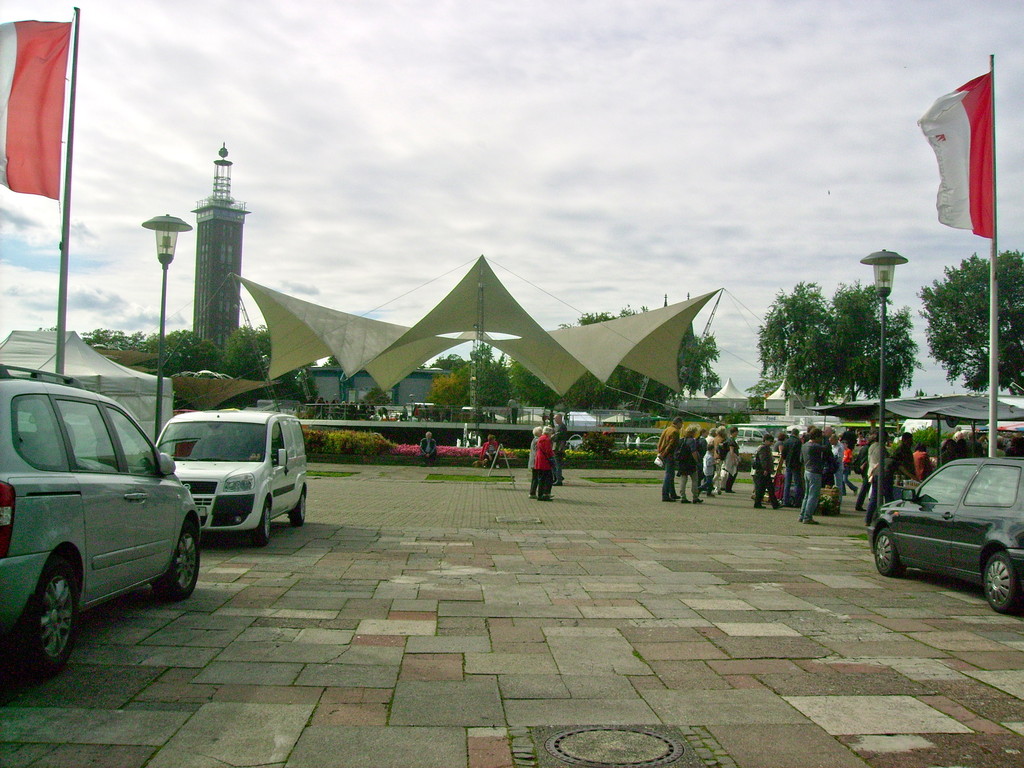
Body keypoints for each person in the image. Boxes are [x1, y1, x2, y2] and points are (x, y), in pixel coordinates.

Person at [799, 427, 827, 524]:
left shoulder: (805, 445)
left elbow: (801, 459)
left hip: (807, 471)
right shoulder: (815, 446)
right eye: (820, 437)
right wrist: (826, 437)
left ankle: (802, 515)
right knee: (813, 496)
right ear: (817, 437)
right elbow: (826, 448)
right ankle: (807, 517)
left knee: (806, 495)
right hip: (815, 472)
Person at [675, 425, 703, 504]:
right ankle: (695, 496)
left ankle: (682, 496)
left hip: (682, 462)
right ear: (693, 432)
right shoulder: (692, 441)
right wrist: (697, 461)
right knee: (694, 479)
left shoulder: (682, 440)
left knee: (683, 479)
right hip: (690, 463)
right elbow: (693, 452)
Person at [657, 417, 683, 502]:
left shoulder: (667, 429)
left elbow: (660, 441)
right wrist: (665, 454)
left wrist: (660, 452)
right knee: (669, 475)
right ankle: (665, 495)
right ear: (678, 423)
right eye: (681, 424)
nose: (682, 426)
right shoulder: (675, 432)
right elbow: (671, 445)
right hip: (670, 455)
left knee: (670, 475)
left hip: (664, 454)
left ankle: (673, 493)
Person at [752, 433, 781, 509]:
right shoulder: (764, 448)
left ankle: (762, 503)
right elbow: (763, 460)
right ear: (766, 440)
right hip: (763, 471)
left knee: (763, 488)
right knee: (766, 488)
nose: (772, 443)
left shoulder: (763, 447)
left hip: (762, 471)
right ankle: (774, 504)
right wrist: (765, 469)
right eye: (771, 441)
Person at [781, 427, 803, 507]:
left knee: (787, 483)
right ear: (797, 434)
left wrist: (785, 459)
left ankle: (785, 501)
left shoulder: (786, 441)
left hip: (788, 464)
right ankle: (797, 502)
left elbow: (783, 454)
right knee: (797, 483)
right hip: (796, 464)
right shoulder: (798, 442)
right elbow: (800, 454)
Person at [535, 425, 555, 500]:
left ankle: (541, 494)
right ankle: (545, 494)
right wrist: (552, 457)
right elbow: (548, 450)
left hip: (540, 460)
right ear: (549, 432)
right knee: (548, 478)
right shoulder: (546, 439)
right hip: (545, 461)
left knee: (541, 478)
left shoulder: (541, 438)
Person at [722, 426, 740, 493]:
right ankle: (728, 488)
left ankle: (728, 487)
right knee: (732, 473)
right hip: (730, 458)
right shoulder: (731, 441)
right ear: (734, 432)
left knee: (731, 473)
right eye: (736, 432)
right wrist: (734, 460)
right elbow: (731, 451)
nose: (737, 433)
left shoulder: (729, 439)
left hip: (729, 458)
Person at [552, 412, 568, 485]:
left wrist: (552, 436)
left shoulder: (562, 427)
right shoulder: (558, 426)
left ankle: (559, 480)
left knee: (557, 464)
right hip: (557, 447)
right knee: (555, 464)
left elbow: (558, 437)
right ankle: (558, 477)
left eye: (555, 418)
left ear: (559, 418)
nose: (554, 420)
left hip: (559, 448)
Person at [527, 426, 543, 497]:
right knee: (537, 477)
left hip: (533, 461)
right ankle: (534, 492)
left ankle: (532, 492)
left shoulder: (534, 440)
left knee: (534, 477)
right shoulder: (538, 440)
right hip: (536, 461)